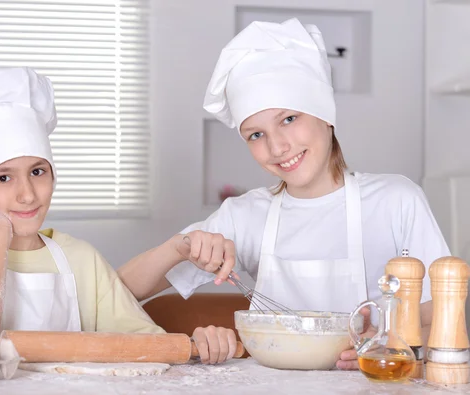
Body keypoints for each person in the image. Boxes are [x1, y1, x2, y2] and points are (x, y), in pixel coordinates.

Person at [118, 18, 450, 370]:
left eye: (289, 118)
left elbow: (439, 326)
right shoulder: (245, 215)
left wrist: (388, 347)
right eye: (255, 135)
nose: (277, 147)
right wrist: (178, 247)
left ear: (325, 114)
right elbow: (115, 293)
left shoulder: (396, 201)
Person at [0, 67, 236, 364]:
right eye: (3, 177)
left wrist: (197, 344)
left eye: (38, 171)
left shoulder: (80, 259)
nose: (28, 194)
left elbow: (146, 346)